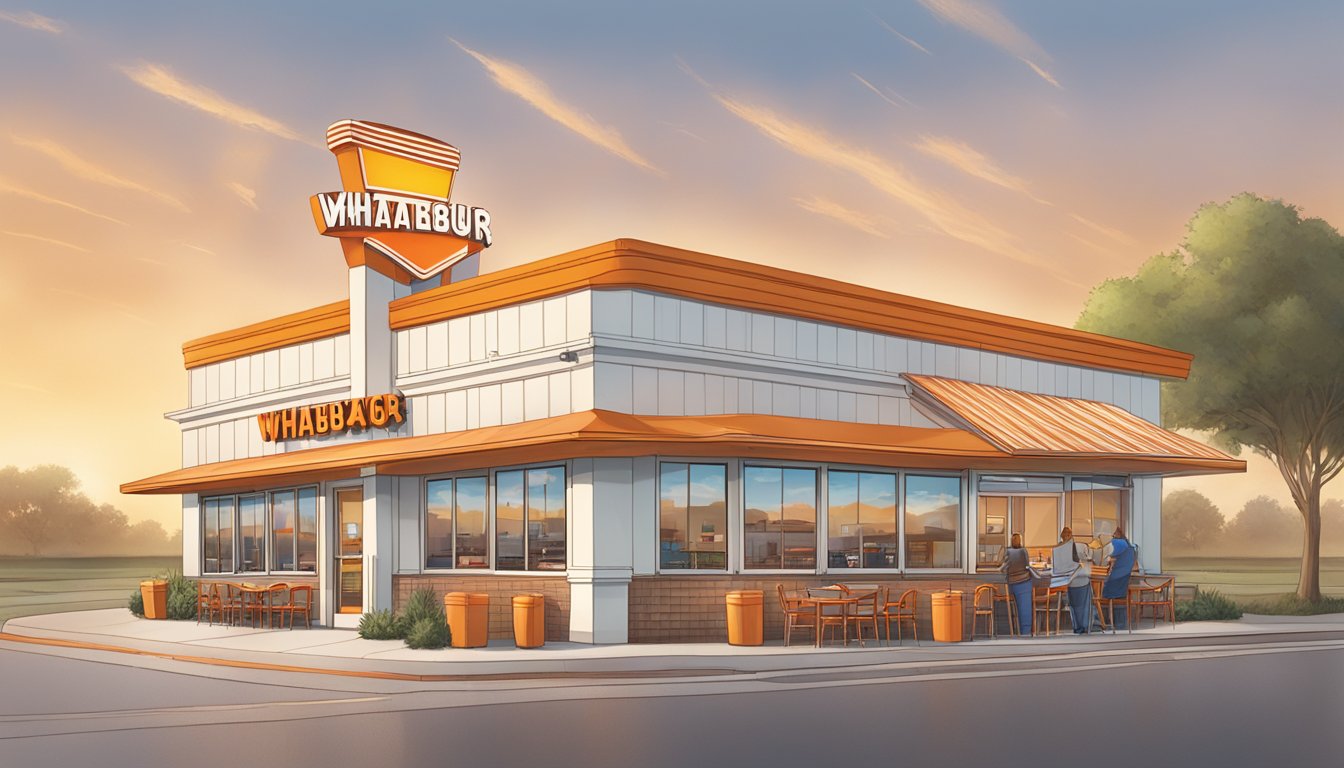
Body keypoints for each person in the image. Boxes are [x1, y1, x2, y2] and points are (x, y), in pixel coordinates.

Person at [1058, 527, 1093, 634]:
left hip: (1069, 581)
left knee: (1074, 605)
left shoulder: (1059, 547)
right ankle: (1084, 627)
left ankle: (1077, 627)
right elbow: (1076, 560)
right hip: (1081, 580)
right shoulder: (1073, 546)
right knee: (1083, 605)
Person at [1101, 527, 1137, 629]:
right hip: (1123, 579)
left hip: (1115, 579)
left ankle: (1103, 623)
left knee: (1096, 594)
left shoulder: (1118, 543)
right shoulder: (1129, 546)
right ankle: (1119, 624)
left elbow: (1108, 554)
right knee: (1119, 599)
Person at [1000, 533, 1034, 636]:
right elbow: (1027, 565)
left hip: (1011, 584)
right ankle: (1025, 633)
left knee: (1014, 608)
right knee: (1025, 609)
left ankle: (1014, 630)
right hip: (1024, 582)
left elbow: (1003, 568)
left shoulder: (1007, 552)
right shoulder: (1023, 551)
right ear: (1020, 541)